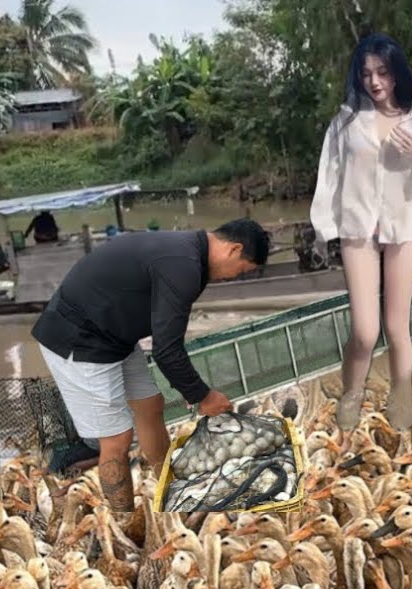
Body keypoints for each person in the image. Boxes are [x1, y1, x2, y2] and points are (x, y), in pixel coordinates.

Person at [30, 218, 270, 512]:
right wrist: (203, 396)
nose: (234, 277)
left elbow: (166, 337)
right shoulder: (184, 265)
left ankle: (171, 492)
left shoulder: (188, 255)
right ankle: (124, 522)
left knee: (150, 405)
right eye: (242, 271)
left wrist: (187, 385)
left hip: (115, 333)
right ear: (234, 249)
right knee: (117, 438)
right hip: (79, 338)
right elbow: (166, 350)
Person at [310, 32, 412, 433]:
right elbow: (329, 176)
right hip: (358, 229)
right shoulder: (346, 122)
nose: (374, 81)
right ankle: (352, 395)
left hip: (404, 226)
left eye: (382, 72)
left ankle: (400, 398)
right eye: (366, 73)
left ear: (396, 74)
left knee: (395, 326)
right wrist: (324, 229)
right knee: (365, 330)